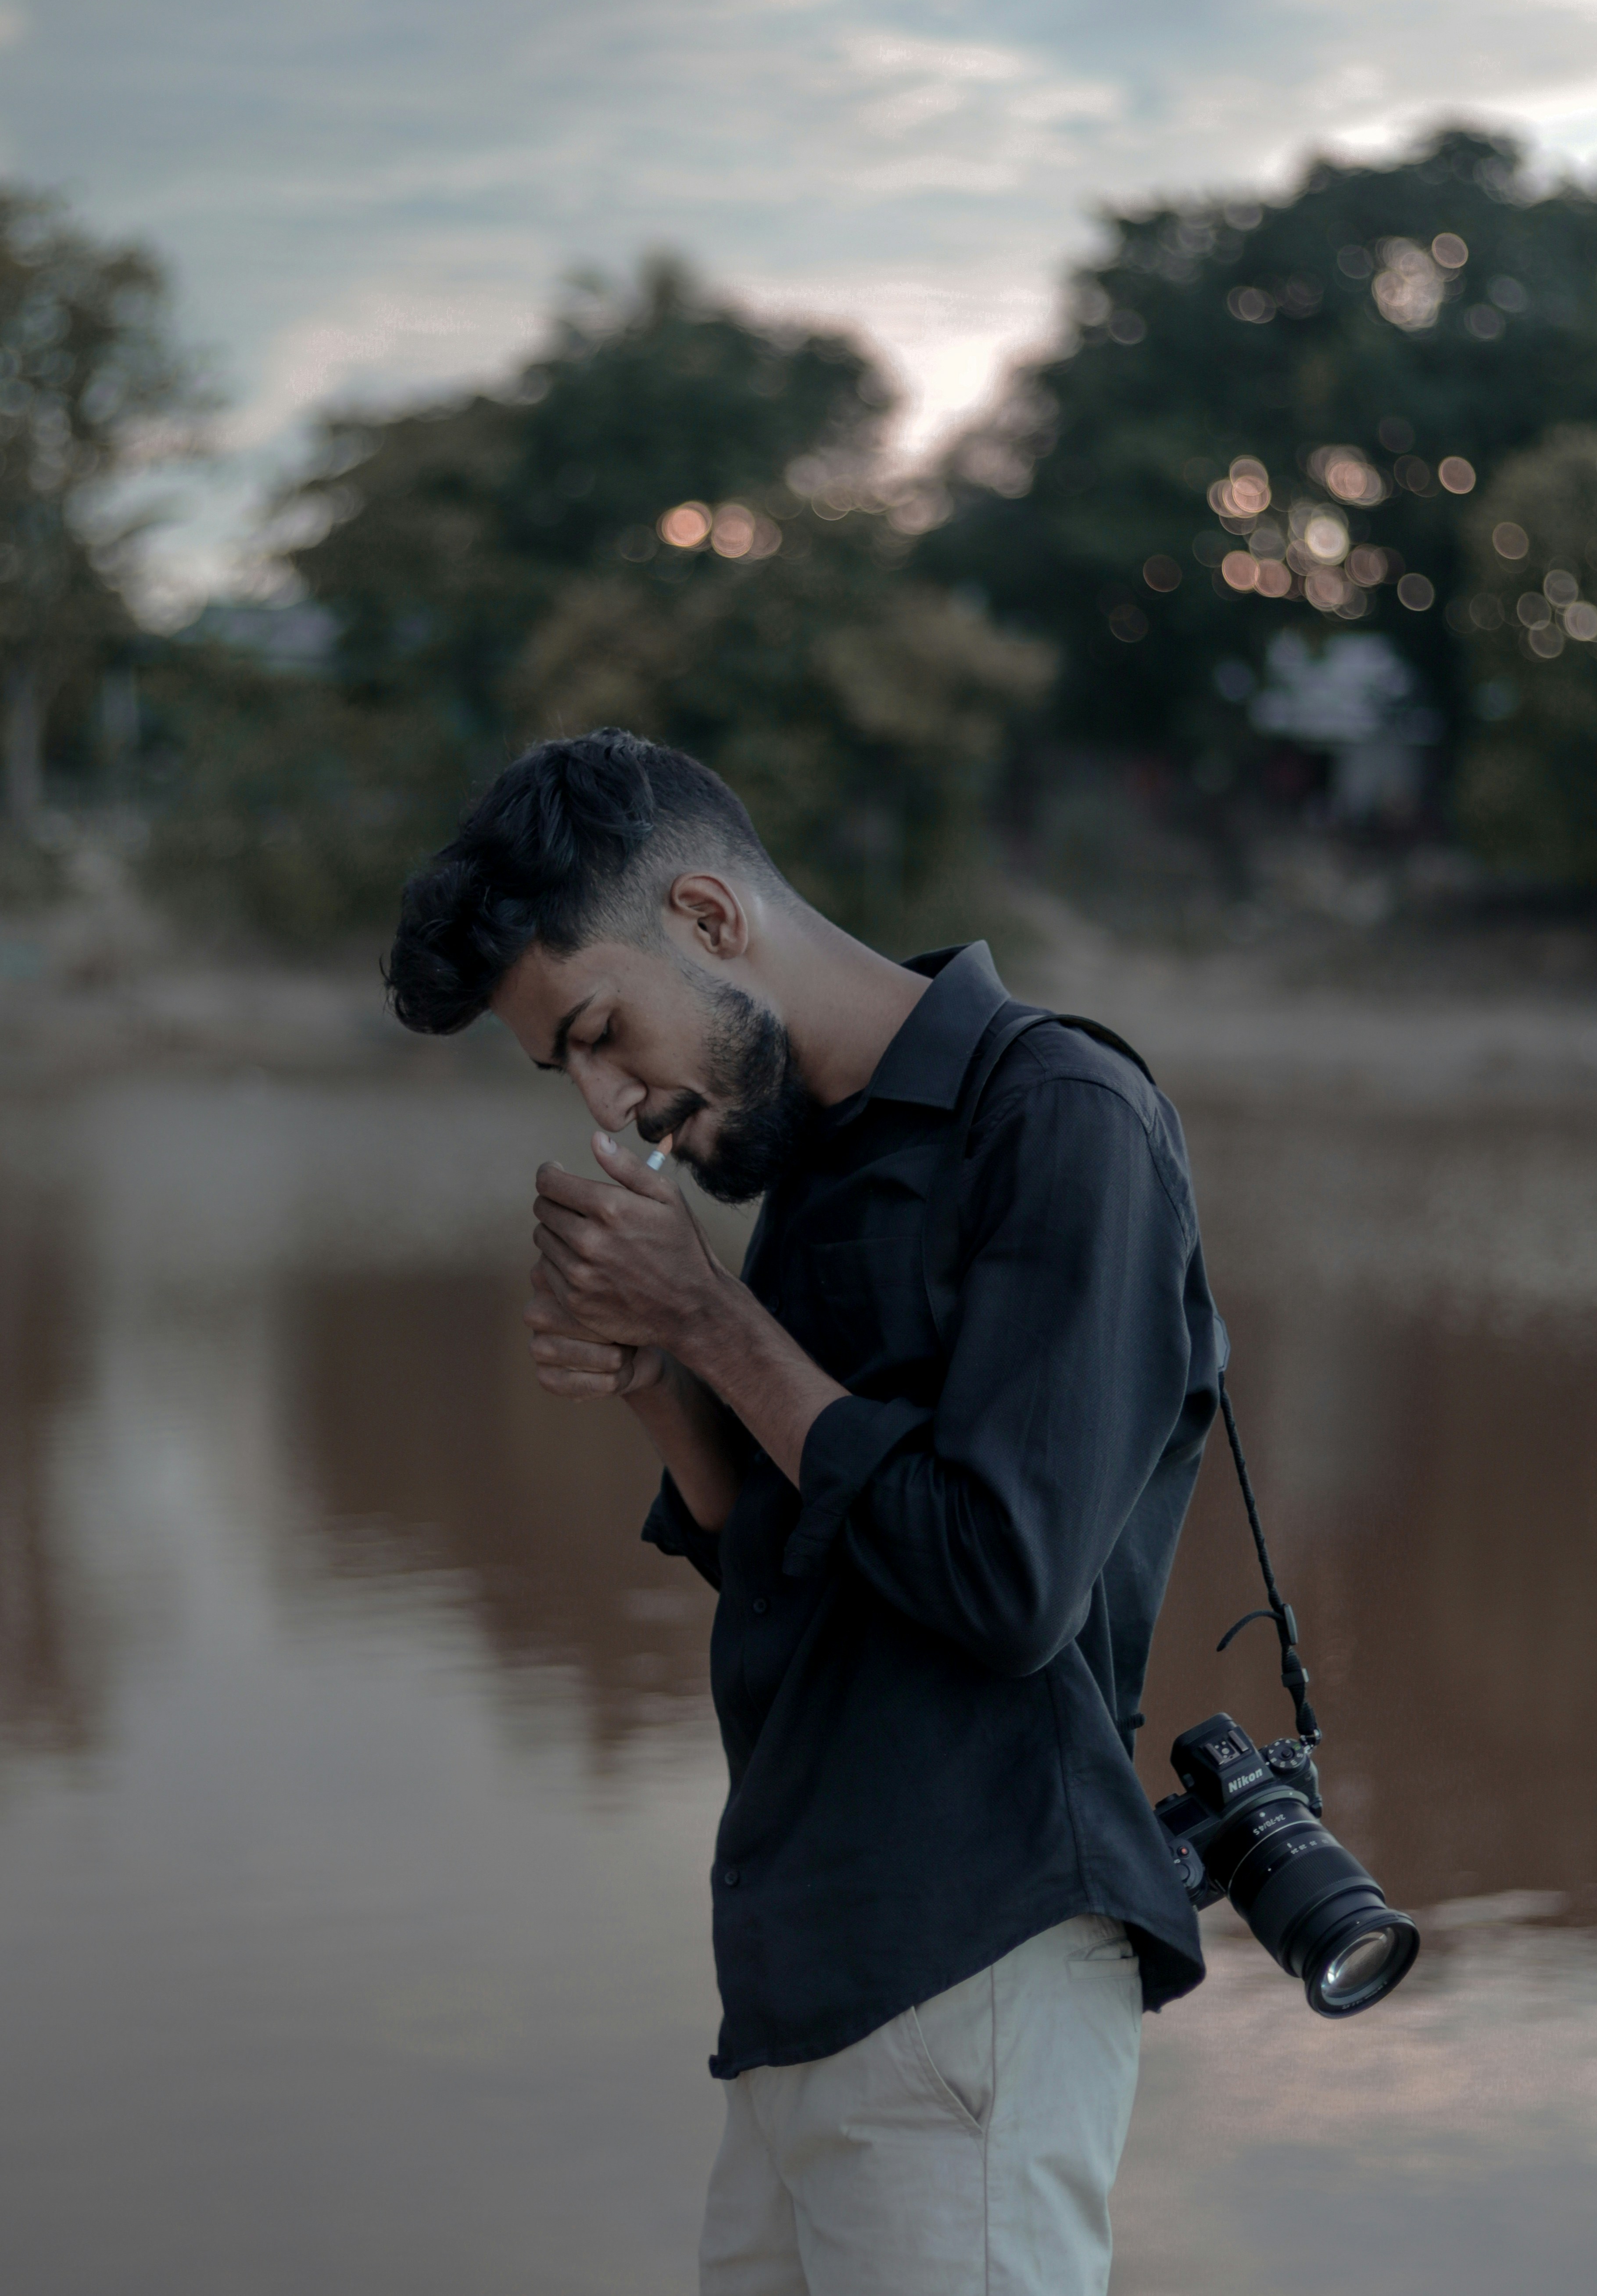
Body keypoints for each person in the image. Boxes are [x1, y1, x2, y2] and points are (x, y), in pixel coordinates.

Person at [386, 728, 1224, 2296]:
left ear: (708, 917)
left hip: (975, 1956)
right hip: (803, 1980)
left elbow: (1005, 1578)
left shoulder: (1056, 1119)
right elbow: (775, 1556)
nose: (609, 1108)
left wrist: (708, 1322)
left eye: (599, 1032)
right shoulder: (813, 1170)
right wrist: (656, 1373)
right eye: (564, 1069)